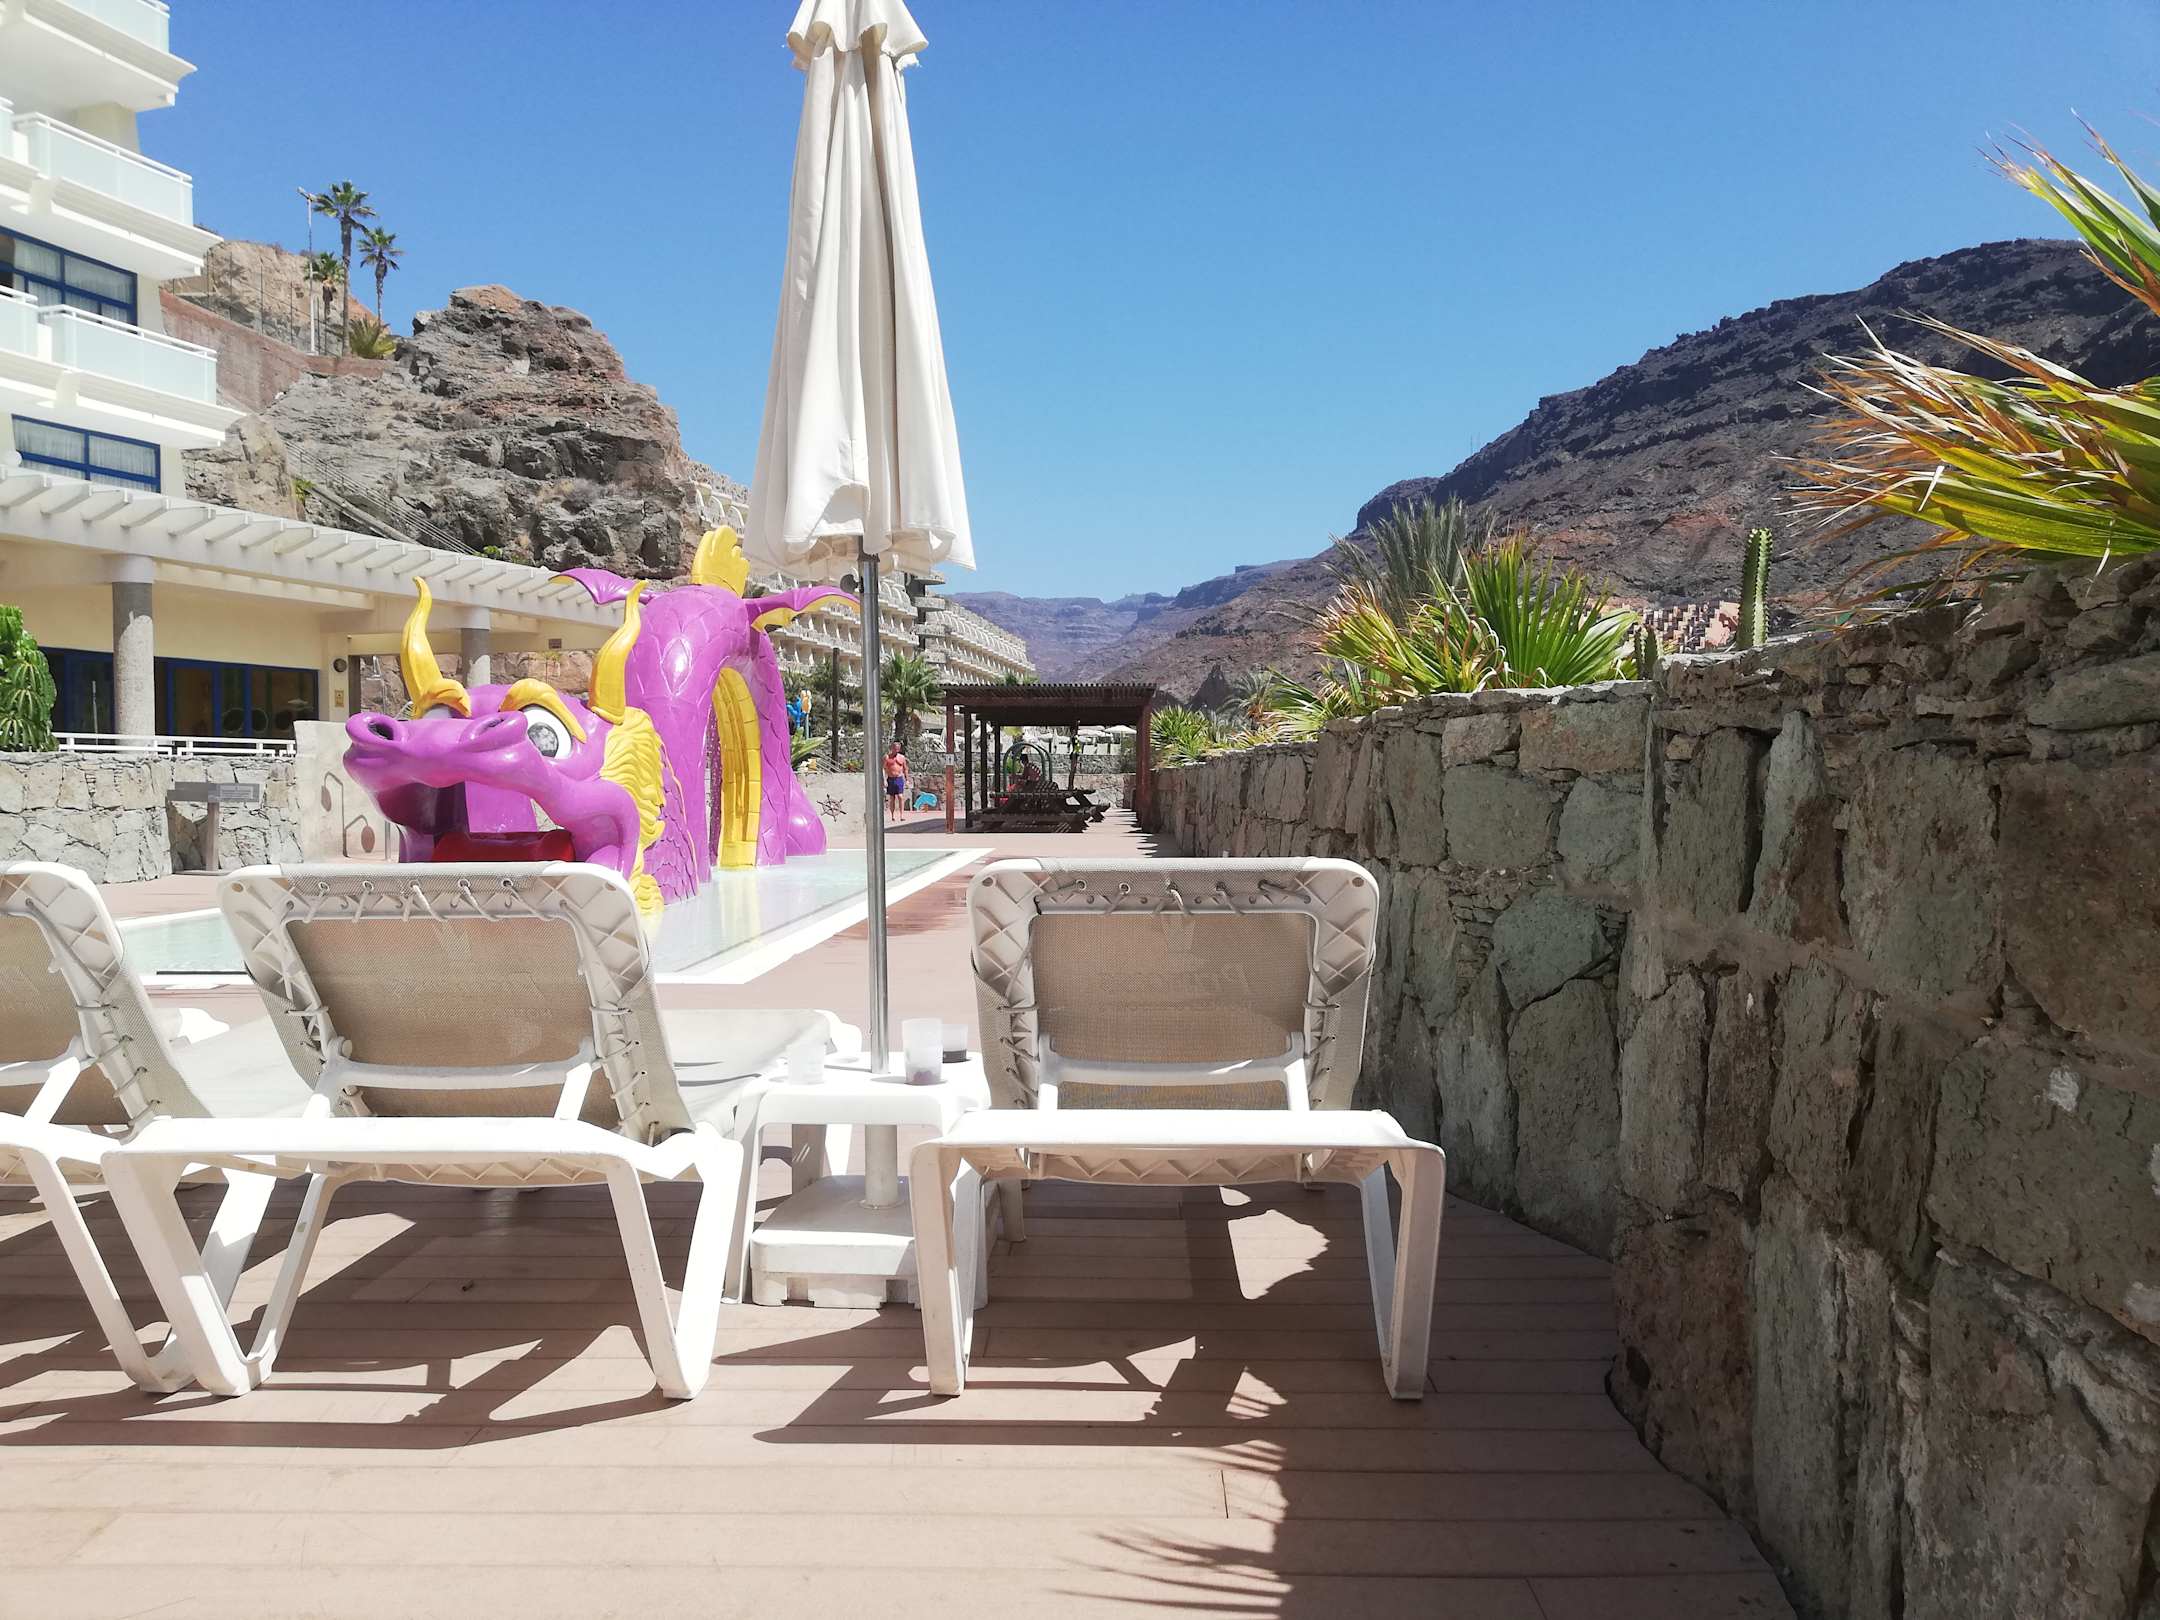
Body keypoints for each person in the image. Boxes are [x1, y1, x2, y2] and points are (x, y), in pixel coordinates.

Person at [883, 744, 909, 822]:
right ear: (892, 748)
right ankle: (892, 815)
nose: (896, 750)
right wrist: (884, 780)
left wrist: (907, 780)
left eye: (898, 749)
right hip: (891, 779)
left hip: (899, 778)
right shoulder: (887, 757)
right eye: (895, 748)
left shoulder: (902, 757)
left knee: (900, 796)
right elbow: (883, 768)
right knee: (892, 798)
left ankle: (902, 815)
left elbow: (905, 769)